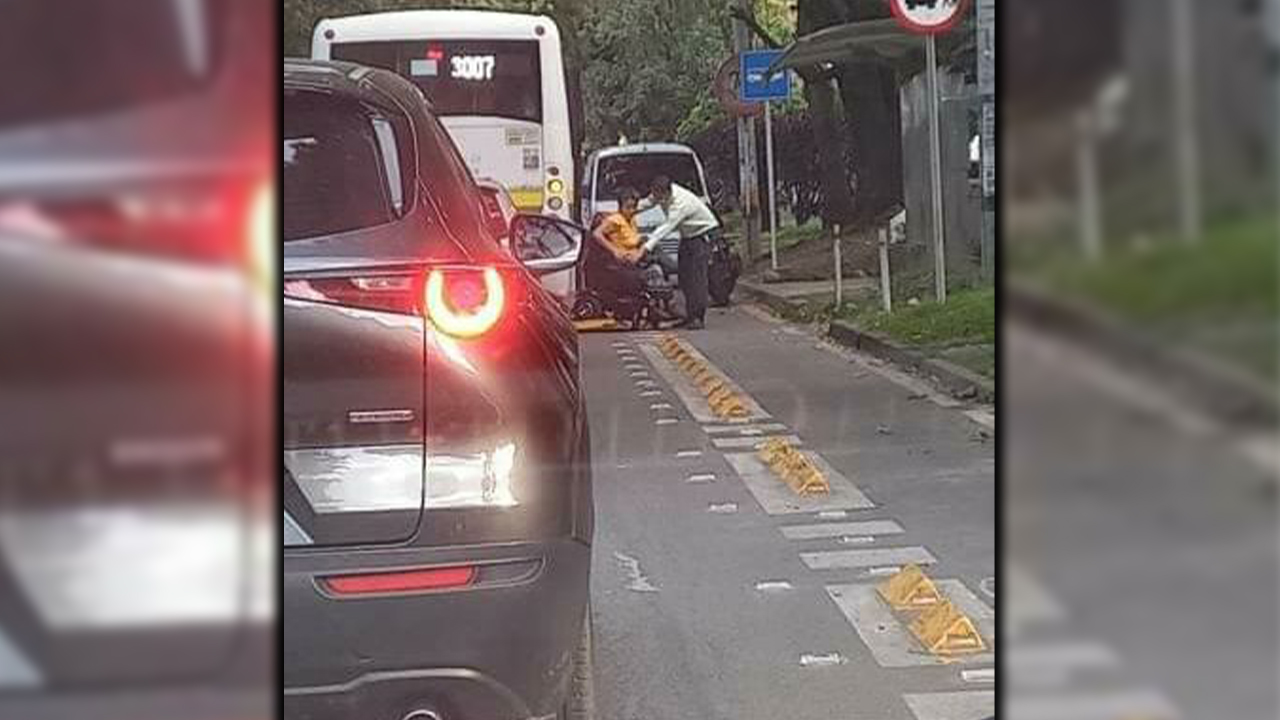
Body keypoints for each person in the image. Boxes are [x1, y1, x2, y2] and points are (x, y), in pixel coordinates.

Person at [640, 175, 720, 329]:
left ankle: (697, 317)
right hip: (688, 235)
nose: (656, 199)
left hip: (702, 234)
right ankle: (688, 315)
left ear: (667, 193)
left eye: (658, 196)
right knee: (684, 276)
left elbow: (666, 228)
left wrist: (645, 247)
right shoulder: (660, 194)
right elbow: (646, 203)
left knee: (696, 277)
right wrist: (625, 210)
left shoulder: (681, 203)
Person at [586, 187, 647, 300]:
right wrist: (614, 250)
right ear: (620, 206)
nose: (631, 210)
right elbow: (597, 233)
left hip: (635, 255)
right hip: (623, 260)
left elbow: (633, 239)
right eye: (628, 207)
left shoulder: (631, 219)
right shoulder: (616, 220)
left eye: (634, 207)